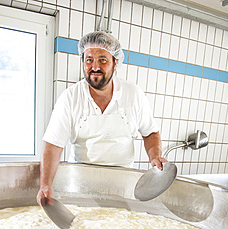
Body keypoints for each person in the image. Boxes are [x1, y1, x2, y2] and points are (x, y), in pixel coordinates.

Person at [37, 31, 167, 205]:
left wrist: (154, 156)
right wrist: (45, 185)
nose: (95, 67)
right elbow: (53, 145)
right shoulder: (70, 97)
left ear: (115, 63)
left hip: (123, 186)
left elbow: (150, 132)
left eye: (103, 60)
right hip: (80, 186)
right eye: (89, 60)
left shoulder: (133, 94)